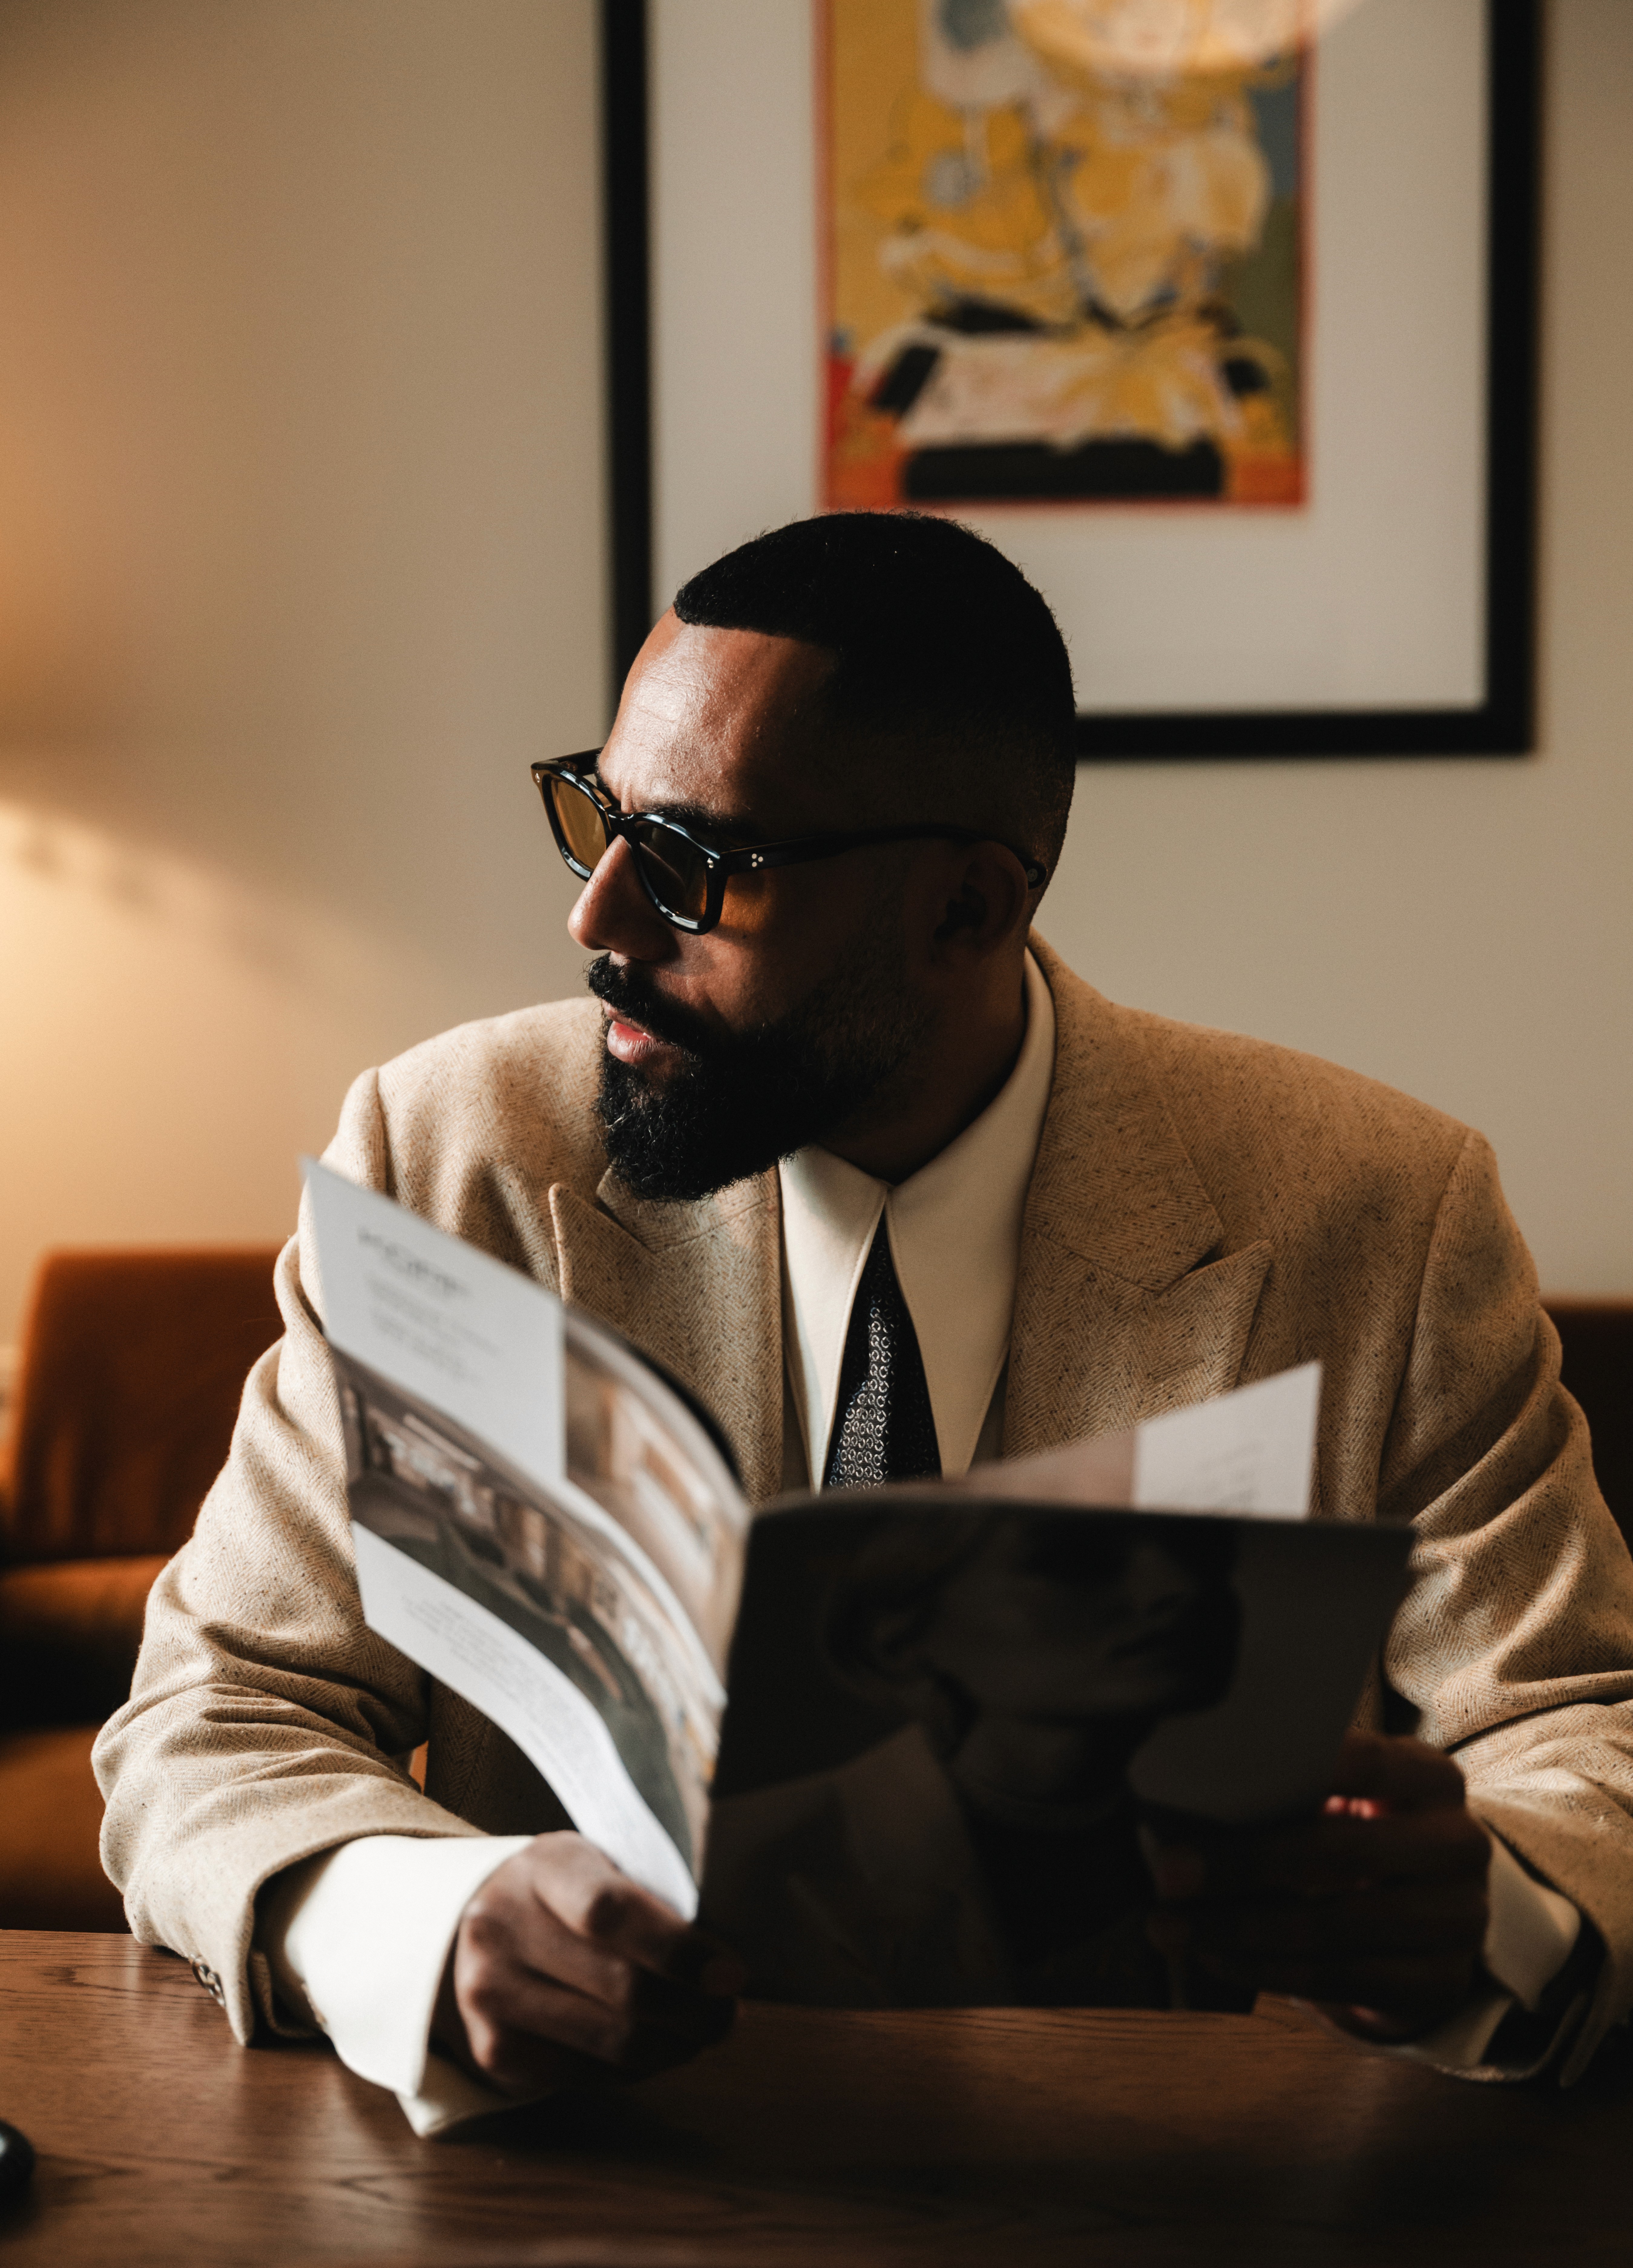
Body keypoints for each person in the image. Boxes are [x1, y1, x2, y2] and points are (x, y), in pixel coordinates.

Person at [95, 513, 1633, 2132]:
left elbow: (1583, 1727)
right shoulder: (449, 1156)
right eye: (595, 817)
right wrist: (417, 1922)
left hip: (1175, 2200)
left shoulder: (1378, 1208)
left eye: (694, 861)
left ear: (967, 907)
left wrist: (1485, 1906)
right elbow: (217, 1711)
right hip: (583, 2186)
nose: (599, 918)